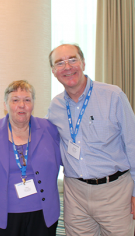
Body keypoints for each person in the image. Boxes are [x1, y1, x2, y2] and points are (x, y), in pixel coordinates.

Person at [47, 44, 135, 235]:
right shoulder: (55, 107)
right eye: (60, 63)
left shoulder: (113, 96)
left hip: (114, 192)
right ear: (54, 71)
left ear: (83, 63)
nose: (67, 67)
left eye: (72, 59)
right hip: (75, 194)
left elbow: (132, 144)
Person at [0, 80, 62, 236]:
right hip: (2, 215)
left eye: (27, 100)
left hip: (43, 214)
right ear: (6, 105)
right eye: (15, 100)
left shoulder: (49, 129)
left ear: (33, 104)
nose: (22, 105)